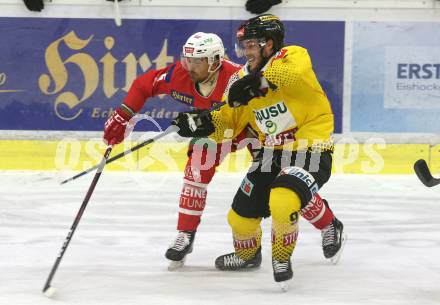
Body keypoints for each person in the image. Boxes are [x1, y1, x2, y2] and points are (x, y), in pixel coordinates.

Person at [172, 14, 346, 289]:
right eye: (245, 45)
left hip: (310, 149)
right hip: (271, 154)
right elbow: (228, 122)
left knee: (283, 199)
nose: (246, 51)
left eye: (252, 44)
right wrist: (202, 124)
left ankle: (283, 257)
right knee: (239, 217)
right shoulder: (240, 78)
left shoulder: (293, 56)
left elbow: (291, 75)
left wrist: (259, 83)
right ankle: (248, 255)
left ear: (270, 44)